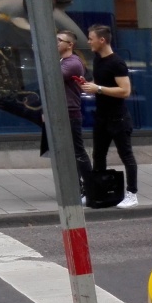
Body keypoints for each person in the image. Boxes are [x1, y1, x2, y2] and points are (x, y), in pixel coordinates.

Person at [80, 24, 138, 208]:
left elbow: (125, 91)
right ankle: (97, 192)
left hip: (118, 118)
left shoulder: (117, 62)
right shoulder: (98, 60)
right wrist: (90, 86)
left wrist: (98, 88)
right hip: (102, 116)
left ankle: (132, 194)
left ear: (102, 40)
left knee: (126, 155)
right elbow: (101, 85)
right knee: (98, 155)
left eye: (91, 38)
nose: (89, 41)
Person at [40, 30, 92, 199]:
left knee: (77, 151)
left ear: (70, 44)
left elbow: (51, 77)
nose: (55, 43)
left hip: (70, 114)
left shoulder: (73, 63)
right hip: (59, 113)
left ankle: (90, 189)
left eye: (59, 40)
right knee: (64, 153)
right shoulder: (62, 61)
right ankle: (76, 188)